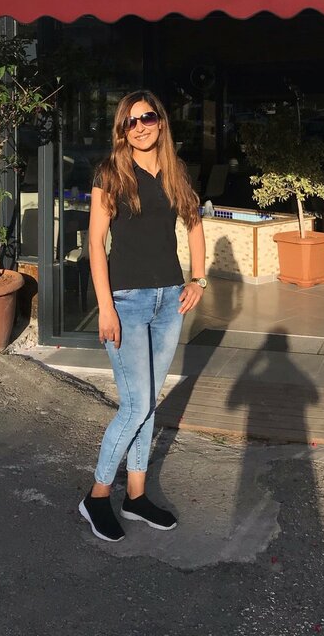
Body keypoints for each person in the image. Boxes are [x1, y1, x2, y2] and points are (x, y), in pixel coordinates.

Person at [79, 90, 206, 542]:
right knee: (134, 405)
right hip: (127, 302)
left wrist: (198, 278)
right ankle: (97, 496)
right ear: (122, 130)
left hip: (169, 299)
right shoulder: (111, 173)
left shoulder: (175, 171)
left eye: (147, 118)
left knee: (148, 402)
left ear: (160, 121)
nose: (139, 127)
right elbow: (96, 244)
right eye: (130, 122)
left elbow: (194, 223)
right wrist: (106, 307)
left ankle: (135, 496)